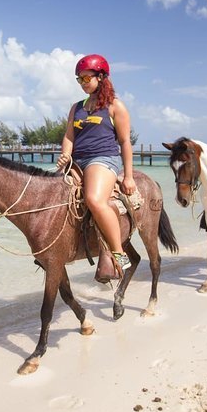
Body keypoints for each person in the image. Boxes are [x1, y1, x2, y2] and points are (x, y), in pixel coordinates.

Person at [56, 54, 136, 270]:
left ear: (101, 77)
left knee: (94, 199)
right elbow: (69, 136)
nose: (82, 83)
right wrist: (65, 154)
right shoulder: (77, 107)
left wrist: (128, 176)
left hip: (103, 158)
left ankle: (118, 254)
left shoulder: (115, 106)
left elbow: (125, 142)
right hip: (77, 160)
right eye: (79, 79)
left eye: (86, 78)